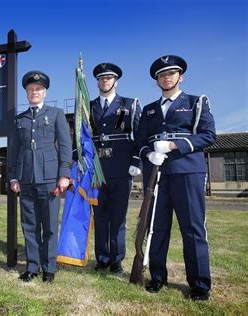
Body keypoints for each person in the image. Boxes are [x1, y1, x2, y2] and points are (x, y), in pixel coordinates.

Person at [135, 55, 216, 300]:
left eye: (171, 73)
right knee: (157, 228)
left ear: (181, 77)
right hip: (157, 175)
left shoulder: (195, 102)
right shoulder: (148, 110)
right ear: (156, 80)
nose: (166, 78)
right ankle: (158, 277)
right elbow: (139, 141)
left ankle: (200, 284)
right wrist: (148, 154)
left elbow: (209, 136)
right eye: (161, 75)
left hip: (187, 172)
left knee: (192, 228)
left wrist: (174, 144)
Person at [9, 71, 72, 283]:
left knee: (50, 226)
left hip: (49, 179)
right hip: (26, 178)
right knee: (29, 226)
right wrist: (13, 177)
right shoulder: (20, 119)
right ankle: (32, 267)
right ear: (26, 93)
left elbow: (65, 146)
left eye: (38, 89)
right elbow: (14, 150)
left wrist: (64, 174)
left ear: (44, 92)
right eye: (30, 89)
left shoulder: (56, 114)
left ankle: (50, 268)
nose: (34, 92)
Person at [90, 63, 142, 273]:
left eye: (109, 78)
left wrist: (136, 161)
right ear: (97, 82)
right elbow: (80, 135)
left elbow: (139, 134)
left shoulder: (129, 104)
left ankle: (116, 259)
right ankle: (102, 258)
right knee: (100, 215)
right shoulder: (88, 105)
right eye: (102, 79)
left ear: (115, 81)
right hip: (97, 169)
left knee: (118, 216)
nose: (105, 81)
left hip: (121, 168)